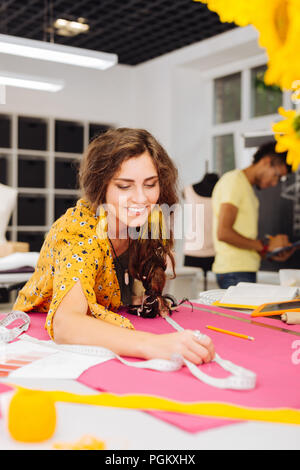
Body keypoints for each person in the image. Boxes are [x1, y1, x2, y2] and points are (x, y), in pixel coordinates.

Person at [14, 128, 215, 365]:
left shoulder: (144, 223)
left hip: (99, 334)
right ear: (101, 187)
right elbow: (65, 325)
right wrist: (153, 344)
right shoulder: (80, 231)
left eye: (150, 184)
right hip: (36, 341)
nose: (141, 198)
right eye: (124, 186)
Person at [212, 141, 293, 289]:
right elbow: (224, 233)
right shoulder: (234, 181)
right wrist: (264, 246)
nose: (275, 183)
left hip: (242, 271)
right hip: (234, 272)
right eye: (276, 175)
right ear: (267, 162)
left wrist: (271, 250)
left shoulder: (248, 189)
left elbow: (244, 240)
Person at [183, 173, 219, 290]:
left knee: (215, 295)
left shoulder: (224, 192)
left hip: (217, 253)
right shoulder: (188, 190)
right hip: (193, 251)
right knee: (190, 294)